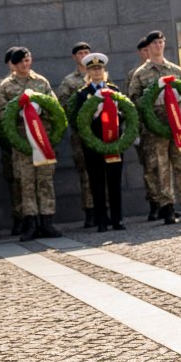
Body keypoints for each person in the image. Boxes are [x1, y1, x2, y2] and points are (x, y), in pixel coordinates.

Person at [128, 30, 181, 225]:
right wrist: (151, 98)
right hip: (155, 129)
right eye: (154, 43)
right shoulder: (141, 74)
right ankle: (167, 208)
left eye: (161, 42)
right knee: (161, 169)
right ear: (149, 47)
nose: (158, 46)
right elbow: (133, 101)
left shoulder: (176, 71)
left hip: (177, 126)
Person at [0, 47, 62, 241]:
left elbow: (55, 107)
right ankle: (31, 224)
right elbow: (0, 114)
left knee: (45, 181)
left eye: (28, 60)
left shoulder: (41, 82)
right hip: (22, 142)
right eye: (21, 61)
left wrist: (40, 110)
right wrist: (18, 110)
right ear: (14, 65)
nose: (26, 64)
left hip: (43, 140)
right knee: (26, 183)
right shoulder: (7, 86)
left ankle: (48, 222)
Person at [72, 53, 127, 231]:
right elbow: (78, 120)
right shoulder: (83, 94)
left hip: (114, 143)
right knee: (97, 183)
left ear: (104, 70)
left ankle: (118, 219)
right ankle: (101, 221)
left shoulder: (115, 91)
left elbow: (126, 115)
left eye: (99, 68)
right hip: (93, 145)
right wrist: (96, 117)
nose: (97, 71)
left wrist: (116, 115)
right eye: (93, 69)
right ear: (87, 72)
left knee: (114, 182)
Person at [55, 42, 96, 227]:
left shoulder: (100, 77)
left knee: (103, 171)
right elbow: (63, 106)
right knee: (86, 172)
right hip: (81, 134)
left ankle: (105, 209)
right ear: (74, 57)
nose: (84, 56)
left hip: (102, 132)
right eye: (80, 53)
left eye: (87, 52)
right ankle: (90, 211)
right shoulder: (69, 81)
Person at [0, 47, 24, 234]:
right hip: (10, 143)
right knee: (14, 181)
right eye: (13, 61)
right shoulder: (0, 86)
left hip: (31, 140)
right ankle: (18, 217)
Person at [127, 42, 160, 220]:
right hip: (145, 129)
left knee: (164, 167)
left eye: (151, 48)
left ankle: (166, 203)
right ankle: (154, 203)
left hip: (164, 129)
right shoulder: (135, 75)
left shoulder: (165, 70)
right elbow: (131, 104)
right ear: (140, 52)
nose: (149, 52)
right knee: (150, 168)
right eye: (145, 50)